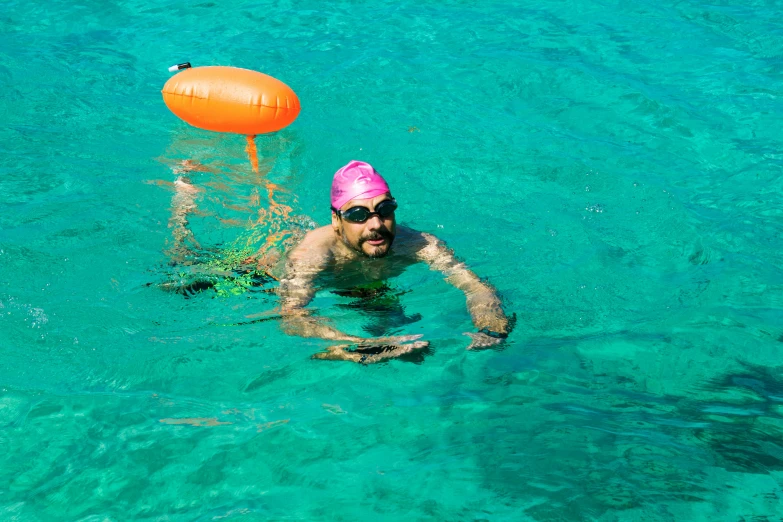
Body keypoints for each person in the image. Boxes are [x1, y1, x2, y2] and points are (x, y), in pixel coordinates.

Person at [278, 160, 511, 364]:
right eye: (359, 215)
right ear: (336, 220)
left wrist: (491, 328)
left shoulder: (417, 243)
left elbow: (475, 286)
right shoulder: (312, 256)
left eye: (385, 210)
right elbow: (291, 317)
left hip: (369, 289)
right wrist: (363, 344)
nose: (376, 225)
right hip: (261, 278)